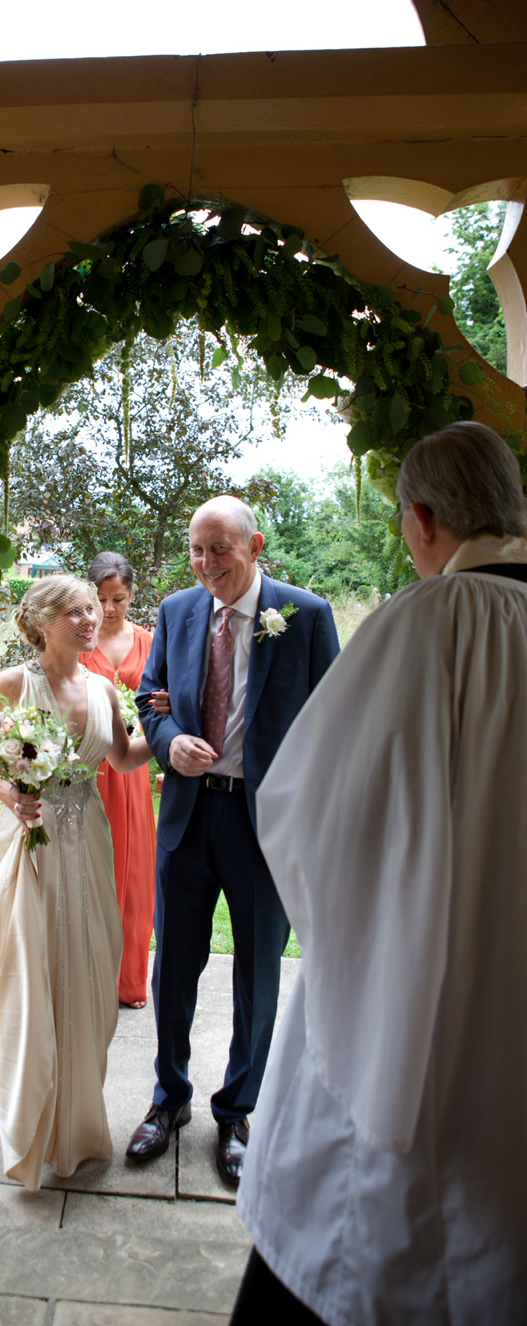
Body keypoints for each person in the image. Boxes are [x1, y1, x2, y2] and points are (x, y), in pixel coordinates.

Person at [233, 421, 527, 1325]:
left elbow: (318, 809)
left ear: (426, 520)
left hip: (420, 997)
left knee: (374, 1217)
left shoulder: (434, 620)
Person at [127, 496, 339, 1188]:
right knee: (174, 969)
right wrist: (169, 741)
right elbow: (149, 697)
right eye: (197, 549)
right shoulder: (176, 611)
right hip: (188, 818)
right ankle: (169, 1099)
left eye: (219, 549)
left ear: (253, 548)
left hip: (264, 826)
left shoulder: (303, 615)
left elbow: (330, 722)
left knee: (258, 972)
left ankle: (238, 1110)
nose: (206, 563)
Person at [0, 574, 153, 1190]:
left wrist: (172, 732)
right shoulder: (14, 684)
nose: (91, 620)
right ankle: (30, 1117)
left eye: (94, 610)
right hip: (32, 843)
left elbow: (122, 758)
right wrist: (9, 794)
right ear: (41, 622)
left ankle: (79, 1114)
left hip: (88, 839)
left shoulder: (102, 687)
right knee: (32, 972)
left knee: (93, 968)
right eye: (76, 612)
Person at [79, 552, 157, 1008]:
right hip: (88, 766)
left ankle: (128, 983)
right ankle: (88, 979)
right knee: (92, 871)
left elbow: (163, 700)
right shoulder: (76, 640)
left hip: (131, 771)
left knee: (133, 878)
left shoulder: (150, 641)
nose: (109, 609)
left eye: (119, 599)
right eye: (101, 599)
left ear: (132, 595)